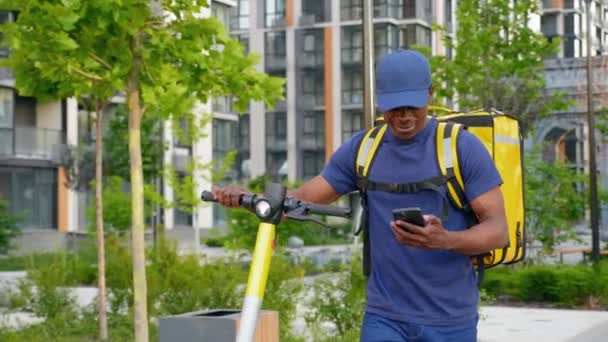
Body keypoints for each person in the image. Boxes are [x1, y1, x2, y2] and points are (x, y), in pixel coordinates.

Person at [211, 49, 508, 342]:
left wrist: (445, 240)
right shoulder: (364, 149)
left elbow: (498, 232)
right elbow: (299, 201)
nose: (403, 116)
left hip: (449, 318)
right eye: (394, 107)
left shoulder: (461, 148)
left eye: (412, 106)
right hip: (385, 316)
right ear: (380, 101)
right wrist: (249, 199)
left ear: (430, 94)